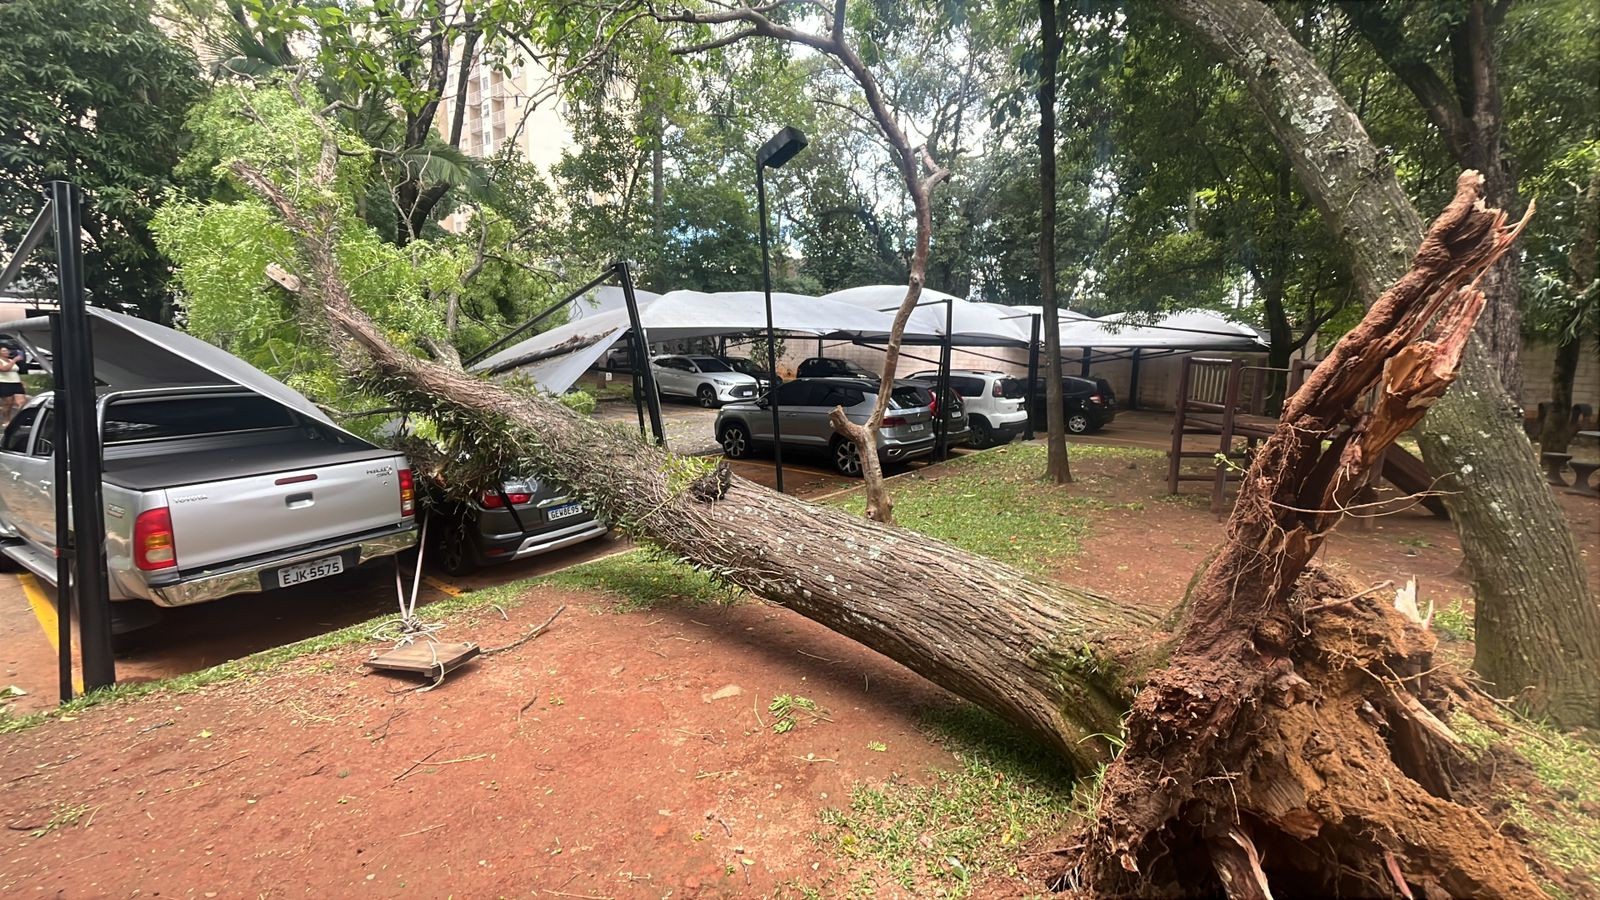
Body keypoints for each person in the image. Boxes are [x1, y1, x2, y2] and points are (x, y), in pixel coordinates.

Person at [0, 347, 27, 425]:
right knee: (8, 404)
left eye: (7, 350)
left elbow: (14, 372)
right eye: (4, 351)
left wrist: (21, 381)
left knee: (22, 402)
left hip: (16, 383)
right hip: (5, 383)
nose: (7, 352)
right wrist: (15, 360)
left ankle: (18, 420)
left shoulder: (11, 360)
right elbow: (4, 369)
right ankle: (6, 420)